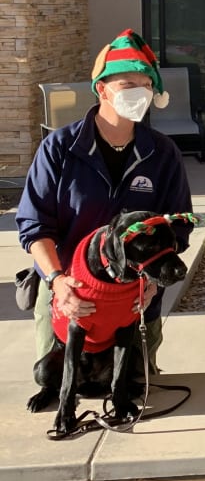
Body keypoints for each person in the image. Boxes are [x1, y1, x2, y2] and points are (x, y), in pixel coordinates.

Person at [16, 28, 194, 376]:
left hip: (135, 301)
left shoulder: (162, 154)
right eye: (128, 86)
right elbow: (35, 226)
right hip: (69, 296)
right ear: (102, 89)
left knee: (132, 392)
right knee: (62, 389)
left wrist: (153, 284)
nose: (139, 94)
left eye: (145, 86)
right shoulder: (59, 149)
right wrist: (56, 281)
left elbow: (179, 225)